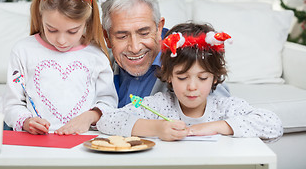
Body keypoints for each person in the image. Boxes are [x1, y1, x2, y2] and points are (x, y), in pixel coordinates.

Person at [97, 22, 283, 141]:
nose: (192, 86)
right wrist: (158, 128)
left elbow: (273, 124)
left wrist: (213, 127)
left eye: (202, 78)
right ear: (168, 75)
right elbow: (107, 120)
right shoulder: (160, 105)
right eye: (182, 77)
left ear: (215, 77)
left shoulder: (224, 108)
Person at [3, 0, 118, 135]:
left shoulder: (96, 55)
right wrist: (27, 121)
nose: (62, 40)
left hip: (82, 143)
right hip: (35, 144)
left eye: (72, 31)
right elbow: (11, 104)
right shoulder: (23, 51)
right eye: (52, 30)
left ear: (87, 21)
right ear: (40, 16)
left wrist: (90, 117)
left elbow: (108, 101)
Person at [101, 0, 230, 108]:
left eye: (144, 33)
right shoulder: (100, 61)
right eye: (122, 36)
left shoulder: (188, 55)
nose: (135, 48)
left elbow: (222, 112)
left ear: (159, 27)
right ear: (107, 37)